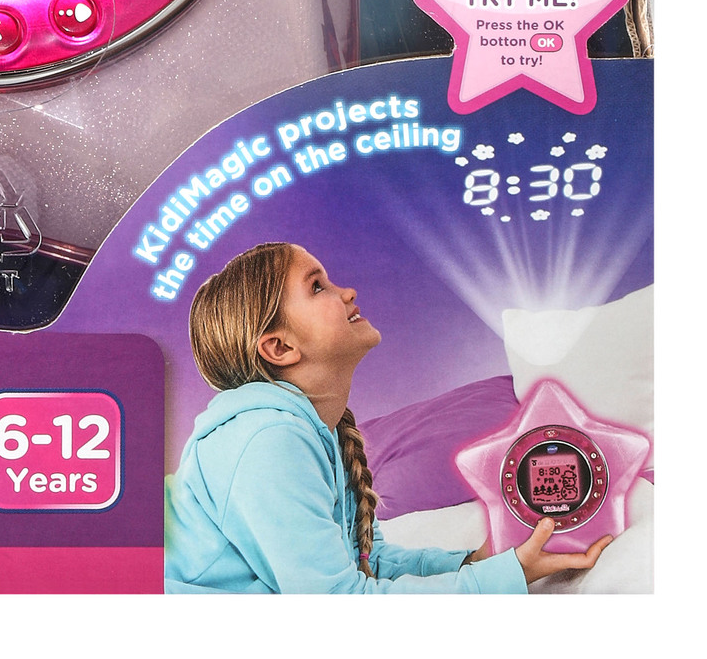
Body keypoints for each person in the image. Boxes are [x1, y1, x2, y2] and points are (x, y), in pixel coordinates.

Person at [164, 241, 612, 593]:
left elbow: (369, 563)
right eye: (317, 287)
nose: (347, 292)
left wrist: (478, 562)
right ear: (280, 347)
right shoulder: (268, 441)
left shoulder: (316, 433)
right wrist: (500, 580)